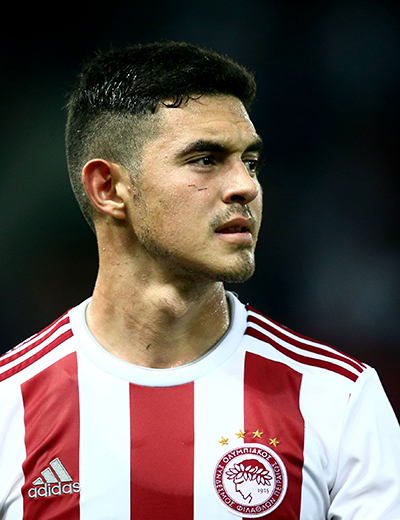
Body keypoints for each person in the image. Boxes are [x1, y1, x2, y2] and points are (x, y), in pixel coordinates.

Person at [0, 41, 399, 520]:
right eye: (206, 159)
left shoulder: (339, 399)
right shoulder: (9, 406)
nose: (245, 185)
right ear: (108, 188)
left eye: (250, 161)